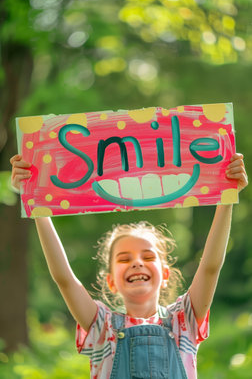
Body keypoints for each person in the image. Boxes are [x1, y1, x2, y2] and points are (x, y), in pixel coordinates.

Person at [10, 153, 248, 379]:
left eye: (147, 257)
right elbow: (65, 278)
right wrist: (36, 203)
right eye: (124, 259)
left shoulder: (183, 320)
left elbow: (210, 267)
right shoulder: (102, 326)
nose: (136, 262)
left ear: (165, 274)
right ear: (111, 281)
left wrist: (227, 197)